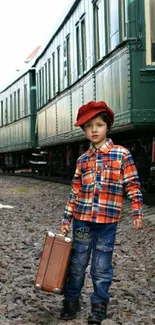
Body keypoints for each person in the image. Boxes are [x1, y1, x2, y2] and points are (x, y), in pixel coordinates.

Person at [60, 101, 143, 325]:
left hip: (107, 223)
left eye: (98, 125)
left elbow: (133, 184)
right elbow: (75, 191)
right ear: (84, 130)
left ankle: (99, 304)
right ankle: (71, 300)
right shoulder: (82, 161)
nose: (94, 130)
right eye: (88, 126)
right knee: (77, 262)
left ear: (108, 127)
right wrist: (67, 218)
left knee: (101, 266)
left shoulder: (121, 155)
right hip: (83, 222)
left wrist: (137, 211)